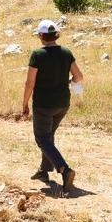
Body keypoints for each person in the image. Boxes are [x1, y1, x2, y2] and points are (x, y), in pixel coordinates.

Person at [22, 19, 83, 192]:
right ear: (56, 34)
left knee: (42, 138)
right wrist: (67, 82)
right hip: (63, 103)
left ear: (41, 36)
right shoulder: (66, 52)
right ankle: (43, 171)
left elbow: (29, 83)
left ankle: (64, 169)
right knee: (48, 137)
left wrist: (25, 103)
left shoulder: (37, 55)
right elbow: (79, 77)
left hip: (43, 105)